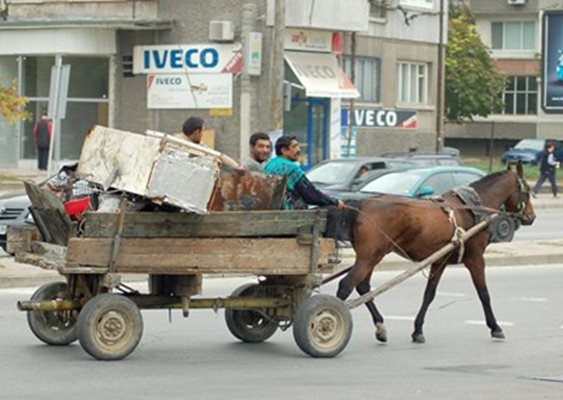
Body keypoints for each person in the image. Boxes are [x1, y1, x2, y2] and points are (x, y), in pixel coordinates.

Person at [264, 135, 345, 210]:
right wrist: (334, 202)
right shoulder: (291, 167)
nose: (298, 150)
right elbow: (310, 194)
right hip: (287, 211)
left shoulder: (269, 165)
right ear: (284, 151)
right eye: (294, 147)